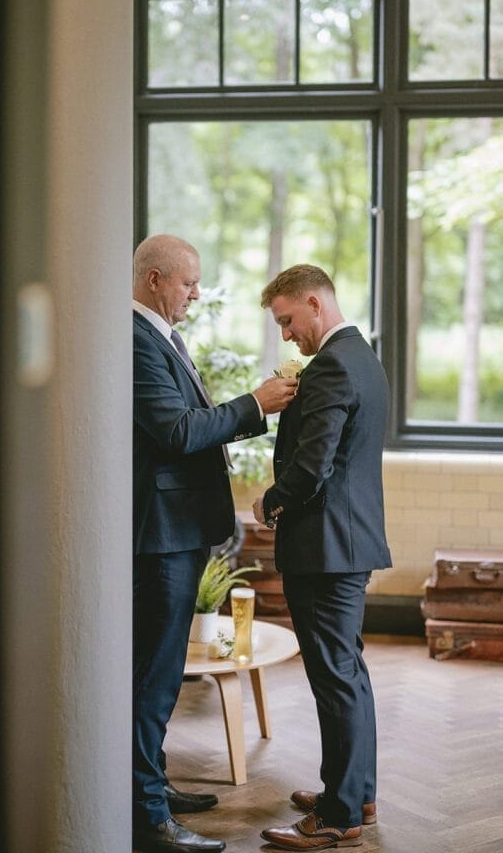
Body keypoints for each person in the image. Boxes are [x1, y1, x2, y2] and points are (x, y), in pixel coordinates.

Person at [133, 234, 297, 853]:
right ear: (155, 280)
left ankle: (148, 781)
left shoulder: (161, 337)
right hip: (161, 536)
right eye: (189, 282)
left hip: (181, 529)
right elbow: (176, 432)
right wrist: (255, 403)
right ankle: (145, 816)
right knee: (152, 675)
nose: (197, 294)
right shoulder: (135, 338)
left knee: (163, 669)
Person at [253, 264, 392, 852]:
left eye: (287, 320)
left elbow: (313, 467)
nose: (286, 334)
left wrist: (271, 502)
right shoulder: (362, 356)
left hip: (327, 548)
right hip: (348, 543)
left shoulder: (332, 365)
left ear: (314, 303)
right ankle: (354, 790)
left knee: (335, 679)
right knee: (348, 674)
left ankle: (337, 817)